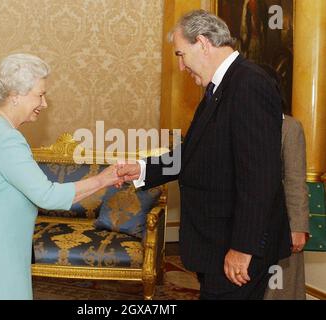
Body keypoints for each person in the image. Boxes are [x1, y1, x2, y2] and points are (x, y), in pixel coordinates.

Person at [118, 10, 292, 299]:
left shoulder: (249, 84)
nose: (182, 67)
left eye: (181, 54)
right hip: (216, 243)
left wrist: (243, 248)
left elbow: (260, 178)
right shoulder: (220, 87)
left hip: (237, 247)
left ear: (202, 43)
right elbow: (195, 152)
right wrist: (143, 170)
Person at [0, 53, 123, 299]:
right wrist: (104, 178)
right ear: (15, 96)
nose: (44, 104)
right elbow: (48, 196)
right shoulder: (6, 138)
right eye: (40, 95)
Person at [259, 64, 309, 300]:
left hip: (282, 225)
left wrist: (298, 227)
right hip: (248, 226)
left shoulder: (289, 127)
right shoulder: (241, 124)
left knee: (280, 290)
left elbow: (295, 181)